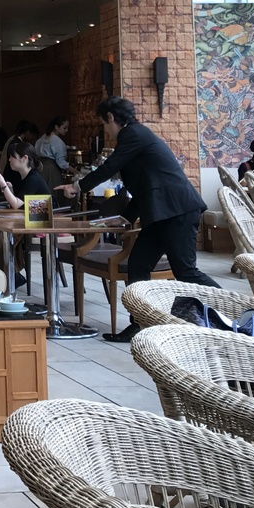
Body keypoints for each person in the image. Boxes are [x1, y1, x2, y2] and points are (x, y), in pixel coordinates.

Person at [55, 96, 217, 343]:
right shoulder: (135, 136)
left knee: (186, 271)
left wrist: (77, 186)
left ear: (111, 117)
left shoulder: (133, 134)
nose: (106, 130)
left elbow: (110, 167)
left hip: (177, 211)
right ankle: (140, 324)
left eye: (104, 123)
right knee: (138, 266)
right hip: (160, 214)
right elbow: (146, 187)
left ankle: (233, 312)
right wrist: (124, 218)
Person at [0, 141, 46, 209]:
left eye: (12, 157)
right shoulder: (23, 176)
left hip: (43, 215)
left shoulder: (33, 179)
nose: (9, 160)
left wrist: (3, 184)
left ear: (25, 158)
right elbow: (18, 201)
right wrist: (10, 190)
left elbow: (16, 204)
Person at [0, 120, 39, 189]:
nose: (32, 137)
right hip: (13, 173)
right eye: (32, 135)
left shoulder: (15, 140)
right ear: (27, 132)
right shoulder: (16, 143)